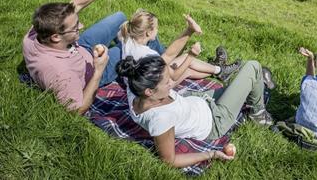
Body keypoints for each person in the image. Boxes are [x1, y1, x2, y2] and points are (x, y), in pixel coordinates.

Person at [117, 55, 273, 168]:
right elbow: (169, 160)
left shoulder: (134, 88)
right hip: (214, 119)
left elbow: (167, 60)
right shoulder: (160, 119)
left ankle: (255, 86)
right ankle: (258, 114)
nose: (172, 82)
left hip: (196, 99)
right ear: (149, 92)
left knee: (246, 83)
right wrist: (211, 154)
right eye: (166, 82)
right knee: (253, 66)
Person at [23, 0, 125, 115]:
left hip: (78, 47)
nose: (82, 26)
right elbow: (77, 110)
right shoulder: (61, 73)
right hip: (92, 71)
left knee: (119, 17)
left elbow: (77, 3)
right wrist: (98, 70)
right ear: (56, 36)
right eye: (76, 27)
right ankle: (164, 61)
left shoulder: (36, 32)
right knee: (133, 44)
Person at [119, 9, 241, 84]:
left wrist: (189, 30)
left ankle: (219, 70)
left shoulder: (127, 36)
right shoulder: (148, 55)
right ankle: (220, 70)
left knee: (183, 62)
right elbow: (174, 75)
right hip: (153, 90)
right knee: (187, 68)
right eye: (156, 27)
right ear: (148, 32)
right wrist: (191, 56)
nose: (158, 30)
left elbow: (168, 55)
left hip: (137, 83)